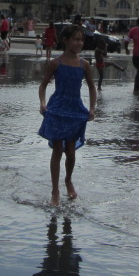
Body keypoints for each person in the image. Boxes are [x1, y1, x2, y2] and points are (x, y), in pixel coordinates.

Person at [37, 23, 97, 206]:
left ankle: (68, 179)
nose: (80, 43)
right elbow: (43, 84)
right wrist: (43, 103)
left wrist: (92, 108)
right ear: (66, 41)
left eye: (82, 40)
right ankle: (55, 190)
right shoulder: (56, 63)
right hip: (58, 108)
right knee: (57, 150)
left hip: (75, 109)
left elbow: (92, 88)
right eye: (76, 39)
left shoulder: (84, 64)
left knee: (70, 152)